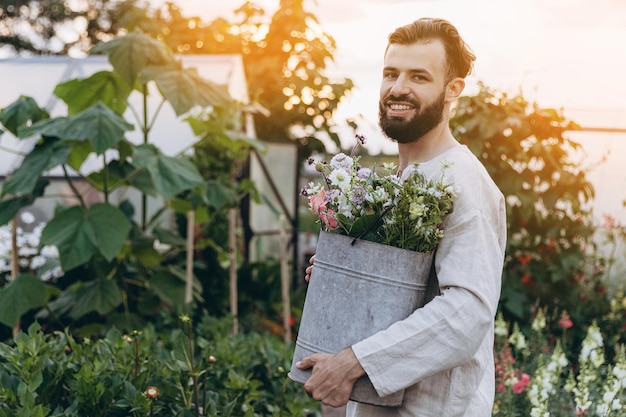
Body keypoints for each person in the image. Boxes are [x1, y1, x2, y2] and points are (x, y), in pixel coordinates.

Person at [295, 17, 507, 417]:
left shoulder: (462, 180)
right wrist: (346, 276)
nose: (397, 88)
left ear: (453, 90)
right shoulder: (403, 178)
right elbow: (400, 290)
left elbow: (467, 312)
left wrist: (353, 361)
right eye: (391, 73)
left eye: (419, 77)